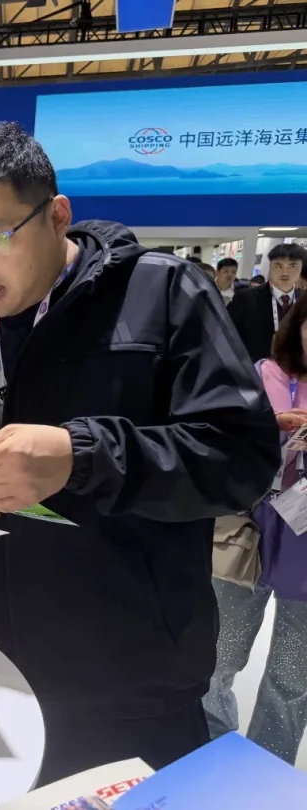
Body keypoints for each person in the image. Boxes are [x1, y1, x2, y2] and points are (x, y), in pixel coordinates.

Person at [0, 123, 279, 783]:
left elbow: (242, 458)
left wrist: (82, 456)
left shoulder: (163, 295)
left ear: (57, 216)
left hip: (133, 680)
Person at [203, 295, 307, 765]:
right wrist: (272, 431)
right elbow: (219, 442)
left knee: (294, 678)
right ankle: (212, 755)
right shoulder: (262, 375)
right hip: (248, 531)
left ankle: (267, 770)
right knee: (216, 660)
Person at [229, 243, 307, 363]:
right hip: (255, 367)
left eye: (292, 266)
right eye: (278, 266)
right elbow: (229, 335)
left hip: (294, 368)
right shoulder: (246, 298)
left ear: (301, 268)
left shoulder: (304, 300)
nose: (285, 272)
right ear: (270, 266)